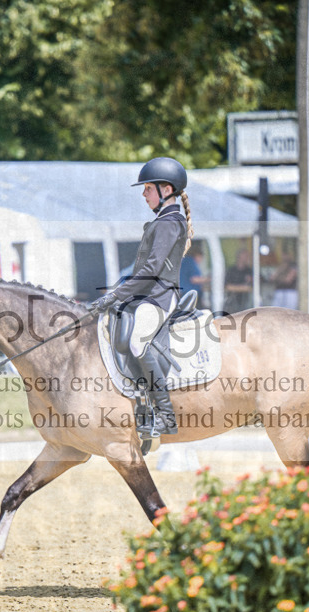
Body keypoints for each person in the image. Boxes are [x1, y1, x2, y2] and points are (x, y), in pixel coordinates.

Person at [87, 157, 192, 437]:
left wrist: (115, 295)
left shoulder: (170, 223)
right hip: (147, 295)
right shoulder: (161, 221)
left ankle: (166, 416)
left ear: (165, 189)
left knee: (138, 343)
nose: (143, 194)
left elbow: (152, 270)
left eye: (147, 188)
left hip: (161, 297)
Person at [224, 248, 253, 313]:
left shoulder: (249, 270)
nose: (247, 258)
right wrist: (242, 287)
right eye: (245, 256)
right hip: (232, 300)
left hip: (245, 300)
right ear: (239, 257)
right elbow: (227, 286)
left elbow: (257, 282)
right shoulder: (231, 270)